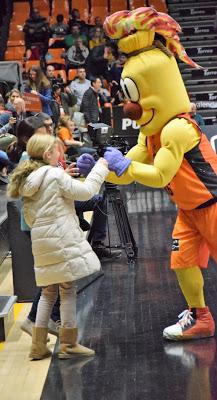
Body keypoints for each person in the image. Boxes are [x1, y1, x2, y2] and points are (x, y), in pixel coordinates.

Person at [80, 6, 217, 342]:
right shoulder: (151, 134)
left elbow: (157, 176)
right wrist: (103, 169)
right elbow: (131, 169)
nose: (130, 106)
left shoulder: (178, 129)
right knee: (182, 263)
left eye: (135, 95)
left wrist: (125, 166)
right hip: (188, 211)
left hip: (212, 206)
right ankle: (200, 318)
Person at [7, 133, 109, 360]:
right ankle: (69, 345)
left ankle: (38, 346)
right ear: (47, 154)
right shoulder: (53, 174)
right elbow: (85, 192)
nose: (61, 154)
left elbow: (31, 216)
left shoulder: (29, 178)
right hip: (61, 239)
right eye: (57, 150)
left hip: (42, 241)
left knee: (48, 291)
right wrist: (100, 168)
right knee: (67, 290)